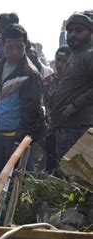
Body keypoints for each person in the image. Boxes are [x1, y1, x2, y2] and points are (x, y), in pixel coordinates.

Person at [0, 24, 44, 177]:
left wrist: (20, 142)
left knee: (18, 181)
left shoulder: (29, 73)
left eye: (19, 47)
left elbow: (32, 112)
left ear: (25, 46)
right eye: (10, 47)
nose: (14, 52)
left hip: (17, 139)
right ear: (3, 45)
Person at [50, 12, 93, 161]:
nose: (73, 34)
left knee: (73, 178)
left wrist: (74, 105)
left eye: (79, 30)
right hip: (66, 127)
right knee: (64, 176)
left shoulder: (89, 55)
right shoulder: (74, 55)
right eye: (70, 31)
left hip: (78, 128)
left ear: (90, 33)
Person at [42, 46, 72, 172]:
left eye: (64, 61)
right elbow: (45, 104)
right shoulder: (47, 82)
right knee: (51, 163)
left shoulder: (77, 83)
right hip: (52, 129)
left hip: (72, 129)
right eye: (58, 60)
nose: (60, 64)